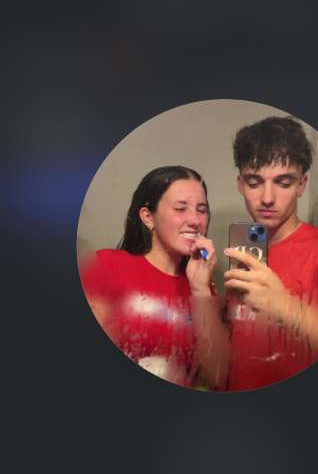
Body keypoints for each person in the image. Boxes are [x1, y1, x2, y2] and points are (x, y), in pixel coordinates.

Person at [223, 116, 318, 391]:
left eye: (283, 183)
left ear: (302, 184)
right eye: (254, 182)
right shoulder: (246, 251)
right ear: (240, 184)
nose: (267, 198)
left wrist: (284, 306)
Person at [79, 166, 228, 389]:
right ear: (148, 217)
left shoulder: (205, 289)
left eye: (202, 210)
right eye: (181, 208)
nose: (195, 220)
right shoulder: (107, 264)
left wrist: (200, 289)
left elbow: (217, 378)